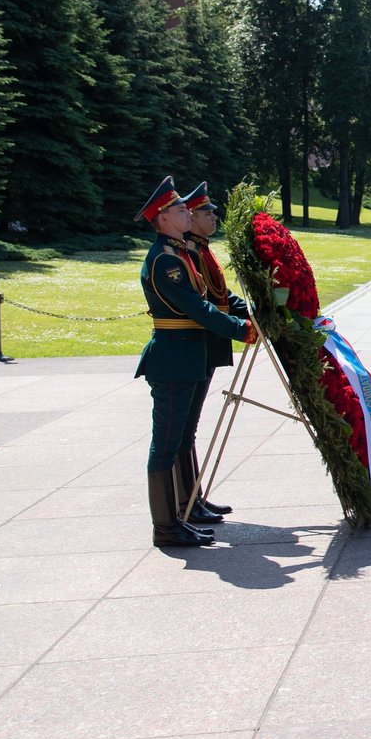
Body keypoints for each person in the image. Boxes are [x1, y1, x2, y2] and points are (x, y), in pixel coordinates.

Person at [134, 177, 254, 548]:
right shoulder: (164, 261)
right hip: (173, 359)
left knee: (183, 436)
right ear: (163, 218)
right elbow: (197, 309)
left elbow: (212, 299)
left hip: (189, 356)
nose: (188, 212)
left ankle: (184, 509)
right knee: (166, 443)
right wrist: (240, 328)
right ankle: (166, 525)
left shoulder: (181, 254)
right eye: (180, 209)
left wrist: (246, 318)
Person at [177, 182, 250, 526]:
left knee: (189, 428)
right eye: (207, 213)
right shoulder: (188, 254)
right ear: (191, 218)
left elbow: (221, 295)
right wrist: (240, 326)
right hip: (198, 344)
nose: (213, 217)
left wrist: (251, 311)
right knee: (184, 428)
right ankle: (187, 501)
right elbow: (204, 306)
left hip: (207, 344)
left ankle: (194, 497)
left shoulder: (201, 250)